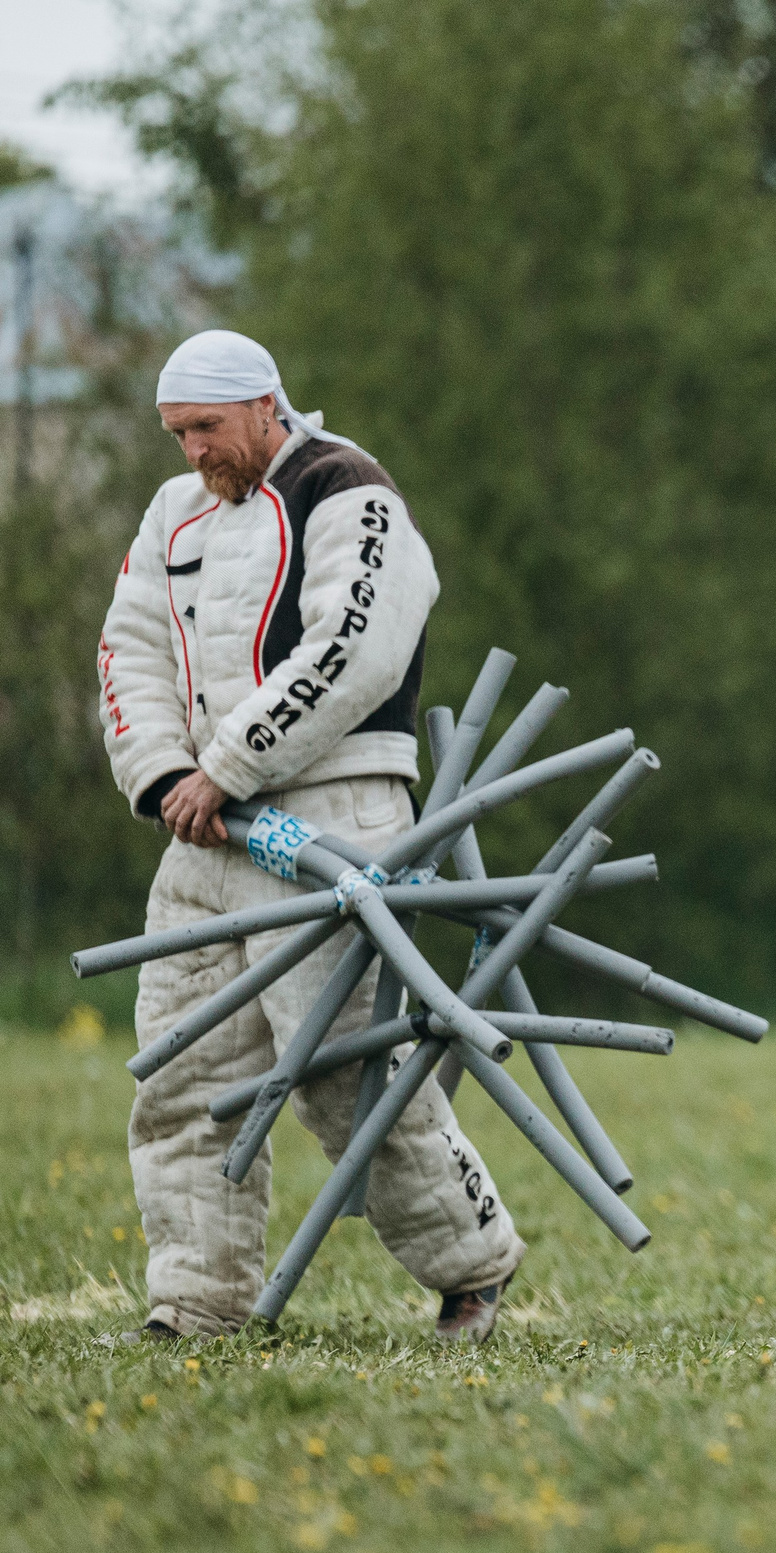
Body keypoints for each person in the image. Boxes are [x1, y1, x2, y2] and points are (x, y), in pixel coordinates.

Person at [96, 329, 524, 1339]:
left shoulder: (349, 490)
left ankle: (473, 1265)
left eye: (206, 428)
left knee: (344, 1071)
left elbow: (358, 646)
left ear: (264, 406)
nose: (194, 452)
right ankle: (198, 1303)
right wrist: (165, 778)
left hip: (329, 817)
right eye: (177, 434)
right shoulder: (174, 514)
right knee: (181, 1073)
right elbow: (133, 648)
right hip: (202, 834)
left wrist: (229, 765)